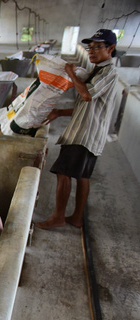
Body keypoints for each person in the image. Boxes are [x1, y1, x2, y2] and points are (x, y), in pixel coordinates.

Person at [37, 28, 119, 229]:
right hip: (89, 132)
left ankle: (58, 217)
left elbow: (86, 95)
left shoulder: (108, 72)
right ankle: (76, 217)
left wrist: (71, 73)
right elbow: (86, 106)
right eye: (89, 47)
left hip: (84, 134)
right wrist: (59, 112)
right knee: (82, 176)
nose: (91, 51)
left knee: (62, 172)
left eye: (97, 47)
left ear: (111, 49)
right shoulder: (98, 70)